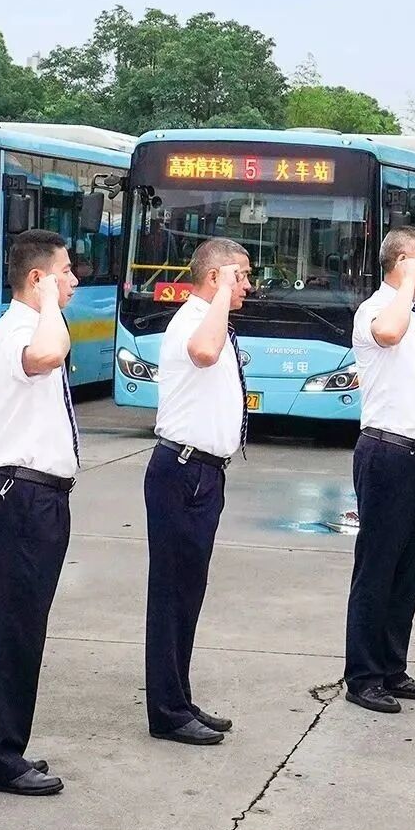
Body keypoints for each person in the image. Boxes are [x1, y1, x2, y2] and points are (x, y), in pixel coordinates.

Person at [0, 230, 80, 795]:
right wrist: (50, 302)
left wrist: (50, 303)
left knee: (5, 626)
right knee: (13, 630)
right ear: (37, 278)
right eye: (64, 272)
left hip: (36, 496)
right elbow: (49, 356)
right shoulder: (18, 330)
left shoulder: (31, 326)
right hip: (23, 496)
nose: (74, 281)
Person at [145, 237, 251, 745]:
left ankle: (180, 698)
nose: (248, 287)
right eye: (240, 276)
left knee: (189, 592)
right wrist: (223, 294)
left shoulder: (212, 320)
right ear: (215, 277)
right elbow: (205, 353)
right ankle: (167, 711)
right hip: (182, 472)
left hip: (206, 474)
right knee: (171, 595)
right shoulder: (193, 321)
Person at [342, 225, 415, 713]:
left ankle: (391, 667)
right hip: (387, 454)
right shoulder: (378, 311)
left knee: (408, 570)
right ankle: (363, 676)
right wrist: (404, 283)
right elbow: (388, 334)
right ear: (403, 262)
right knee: (378, 567)